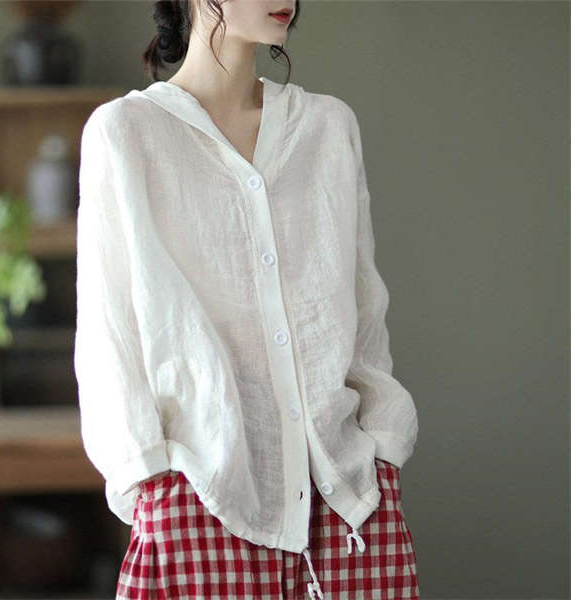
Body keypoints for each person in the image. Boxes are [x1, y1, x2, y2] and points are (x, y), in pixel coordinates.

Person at [74, 0, 421, 598]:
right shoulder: (126, 133)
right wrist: (149, 481)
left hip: (349, 509)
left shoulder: (328, 127)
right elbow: (111, 338)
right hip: (198, 502)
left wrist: (383, 451)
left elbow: (364, 314)